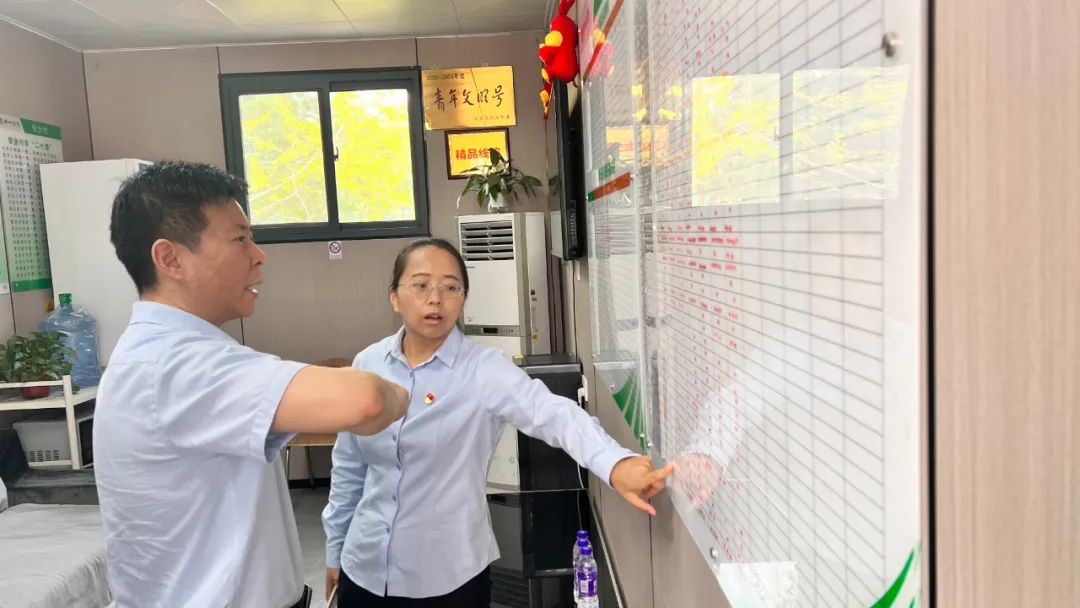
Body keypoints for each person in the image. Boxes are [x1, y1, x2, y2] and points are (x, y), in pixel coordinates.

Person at [93, 161, 410, 608]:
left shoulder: (165, 353)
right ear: (170, 259)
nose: (259, 255)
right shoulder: (177, 364)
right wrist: (405, 389)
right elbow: (367, 400)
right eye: (239, 239)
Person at [323, 238, 676, 607]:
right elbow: (349, 465)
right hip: (364, 569)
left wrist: (615, 463)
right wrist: (335, 549)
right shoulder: (367, 364)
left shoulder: (483, 370)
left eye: (451, 287)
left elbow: (554, 413)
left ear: (463, 299)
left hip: (448, 578)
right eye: (421, 284)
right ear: (394, 296)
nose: (435, 299)